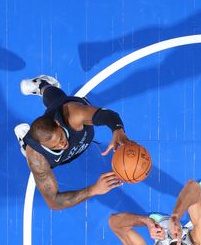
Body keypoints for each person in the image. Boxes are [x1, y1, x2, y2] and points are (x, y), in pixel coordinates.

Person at [14, 75, 130, 210]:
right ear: (43, 147)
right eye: (55, 145)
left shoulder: (72, 114)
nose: (62, 144)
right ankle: (25, 142)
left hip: (73, 125)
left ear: (57, 123)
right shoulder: (37, 157)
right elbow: (54, 202)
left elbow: (108, 115)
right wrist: (94, 189)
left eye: (61, 137)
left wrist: (117, 130)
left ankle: (42, 85)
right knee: (29, 151)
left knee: (57, 100)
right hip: (52, 155)